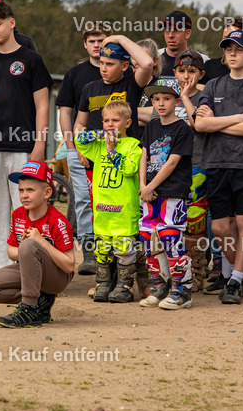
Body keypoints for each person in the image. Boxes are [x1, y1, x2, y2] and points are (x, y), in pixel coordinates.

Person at [0, 1, 52, 276]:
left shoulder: (31, 59)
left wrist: (40, 145)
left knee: (27, 207)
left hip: (22, 147)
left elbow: (42, 105)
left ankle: (30, 268)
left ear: (11, 23)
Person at [194, 29, 243, 305]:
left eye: (238, 49)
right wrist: (238, 117)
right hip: (216, 163)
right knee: (218, 227)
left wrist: (220, 121)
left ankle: (236, 280)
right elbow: (200, 124)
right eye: (228, 48)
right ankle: (242, 276)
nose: (232, 53)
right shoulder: (214, 85)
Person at [0, 161, 74, 327]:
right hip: (29, 272)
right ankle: (41, 301)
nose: (24, 195)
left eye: (30, 190)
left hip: (56, 279)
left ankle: (28, 309)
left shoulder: (57, 220)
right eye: (21, 190)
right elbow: (11, 251)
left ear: (47, 192)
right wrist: (27, 250)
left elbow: (69, 266)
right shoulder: (18, 214)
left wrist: (39, 242)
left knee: (29, 245)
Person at [74, 101, 142, 303]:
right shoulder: (99, 145)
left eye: (115, 120)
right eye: (106, 121)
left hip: (124, 211)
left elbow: (129, 169)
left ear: (128, 122)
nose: (110, 124)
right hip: (103, 210)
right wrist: (102, 136)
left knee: (124, 249)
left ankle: (124, 285)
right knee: (102, 249)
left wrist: (112, 150)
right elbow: (79, 140)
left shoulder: (134, 146)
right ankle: (103, 283)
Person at [138, 80, 194, 310]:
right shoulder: (151, 127)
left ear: (177, 101)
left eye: (167, 98)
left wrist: (152, 186)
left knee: (170, 236)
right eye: (156, 99)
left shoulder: (182, 129)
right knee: (147, 237)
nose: (161, 103)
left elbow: (172, 162)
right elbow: (144, 155)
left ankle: (182, 289)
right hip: (150, 193)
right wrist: (143, 185)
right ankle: (160, 284)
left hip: (173, 192)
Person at [56, 28, 106, 275]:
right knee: (83, 200)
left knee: (107, 198)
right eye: (92, 41)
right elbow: (65, 111)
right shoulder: (75, 73)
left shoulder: (120, 70)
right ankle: (89, 253)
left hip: (113, 147)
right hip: (81, 146)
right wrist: (71, 147)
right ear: (85, 45)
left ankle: (110, 252)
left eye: (101, 40)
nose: (97, 45)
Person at [174, 51, 211, 292]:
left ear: (201, 74)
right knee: (172, 221)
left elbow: (198, 125)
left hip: (198, 164)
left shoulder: (207, 96)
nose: (186, 76)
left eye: (192, 71)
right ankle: (177, 271)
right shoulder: (165, 97)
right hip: (171, 169)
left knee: (195, 222)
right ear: (174, 72)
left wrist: (187, 96)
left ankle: (198, 271)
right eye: (181, 71)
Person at [158, 10, 208, 76]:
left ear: (187, 33)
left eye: (176, 30)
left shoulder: (202, 60)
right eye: (167, 30)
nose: (170, 35)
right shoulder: (154, 58)